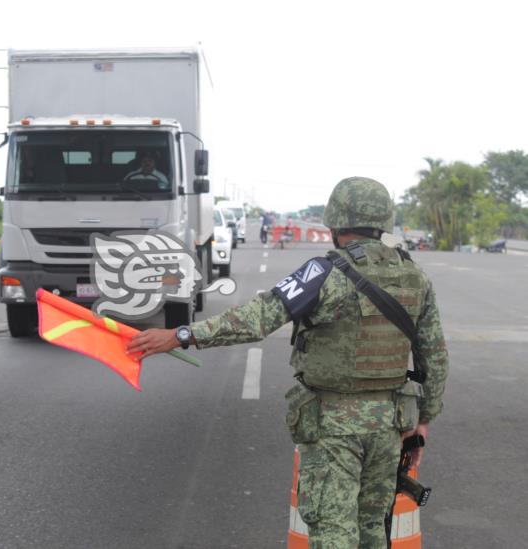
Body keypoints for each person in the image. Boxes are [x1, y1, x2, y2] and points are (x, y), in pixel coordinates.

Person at [127, 177, 449, 549]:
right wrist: (423, 422)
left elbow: (259, 318)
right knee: (373, 528)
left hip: (334, 426)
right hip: (391, 424)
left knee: (332, 530)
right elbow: (434, 356)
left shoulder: (324, 272)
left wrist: (182, 335)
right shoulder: (415, 276)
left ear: (334, 222)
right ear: (383, 222)